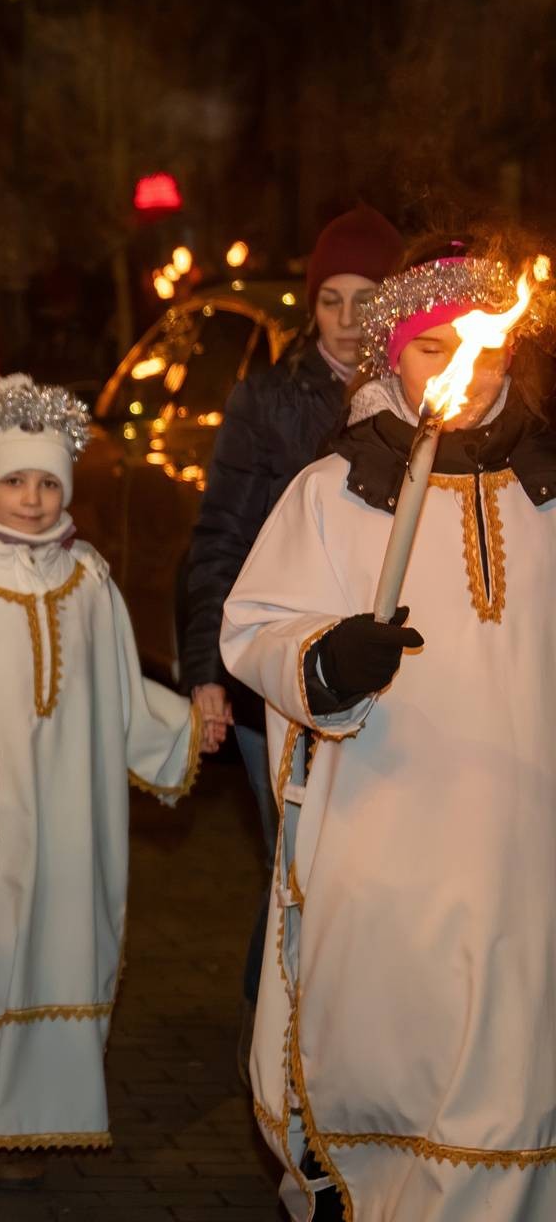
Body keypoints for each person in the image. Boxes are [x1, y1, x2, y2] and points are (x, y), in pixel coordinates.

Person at [222, 239, 556, 1221]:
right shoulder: (335, 489)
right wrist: (328, 659)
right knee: (393, 1036)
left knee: (516, 1053)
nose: (464, 368)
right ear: (393, 358)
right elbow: (255, 627)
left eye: (481, 347)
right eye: (432, 348)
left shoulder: (547, 485)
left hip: (526, 830)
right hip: (389, 814)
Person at [0, 374, 208, 1152]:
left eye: (48, 483)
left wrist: (182, 725)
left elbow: (120, 685)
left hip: (73, 811)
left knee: (64, 936)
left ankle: (37, 1118)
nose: (32, 499)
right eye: (14, 481)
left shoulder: (88, 578)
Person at [180, 204, 404, 1041]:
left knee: (363, 865)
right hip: (276, 674)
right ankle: (273, 1042)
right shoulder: (268, 398)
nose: (346, 320)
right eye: (329, 301)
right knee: (296, 860)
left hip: (385, 673)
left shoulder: (422, 400)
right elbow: (221, 538)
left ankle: (348, 1038)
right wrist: (208, 673)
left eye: (365, 300)